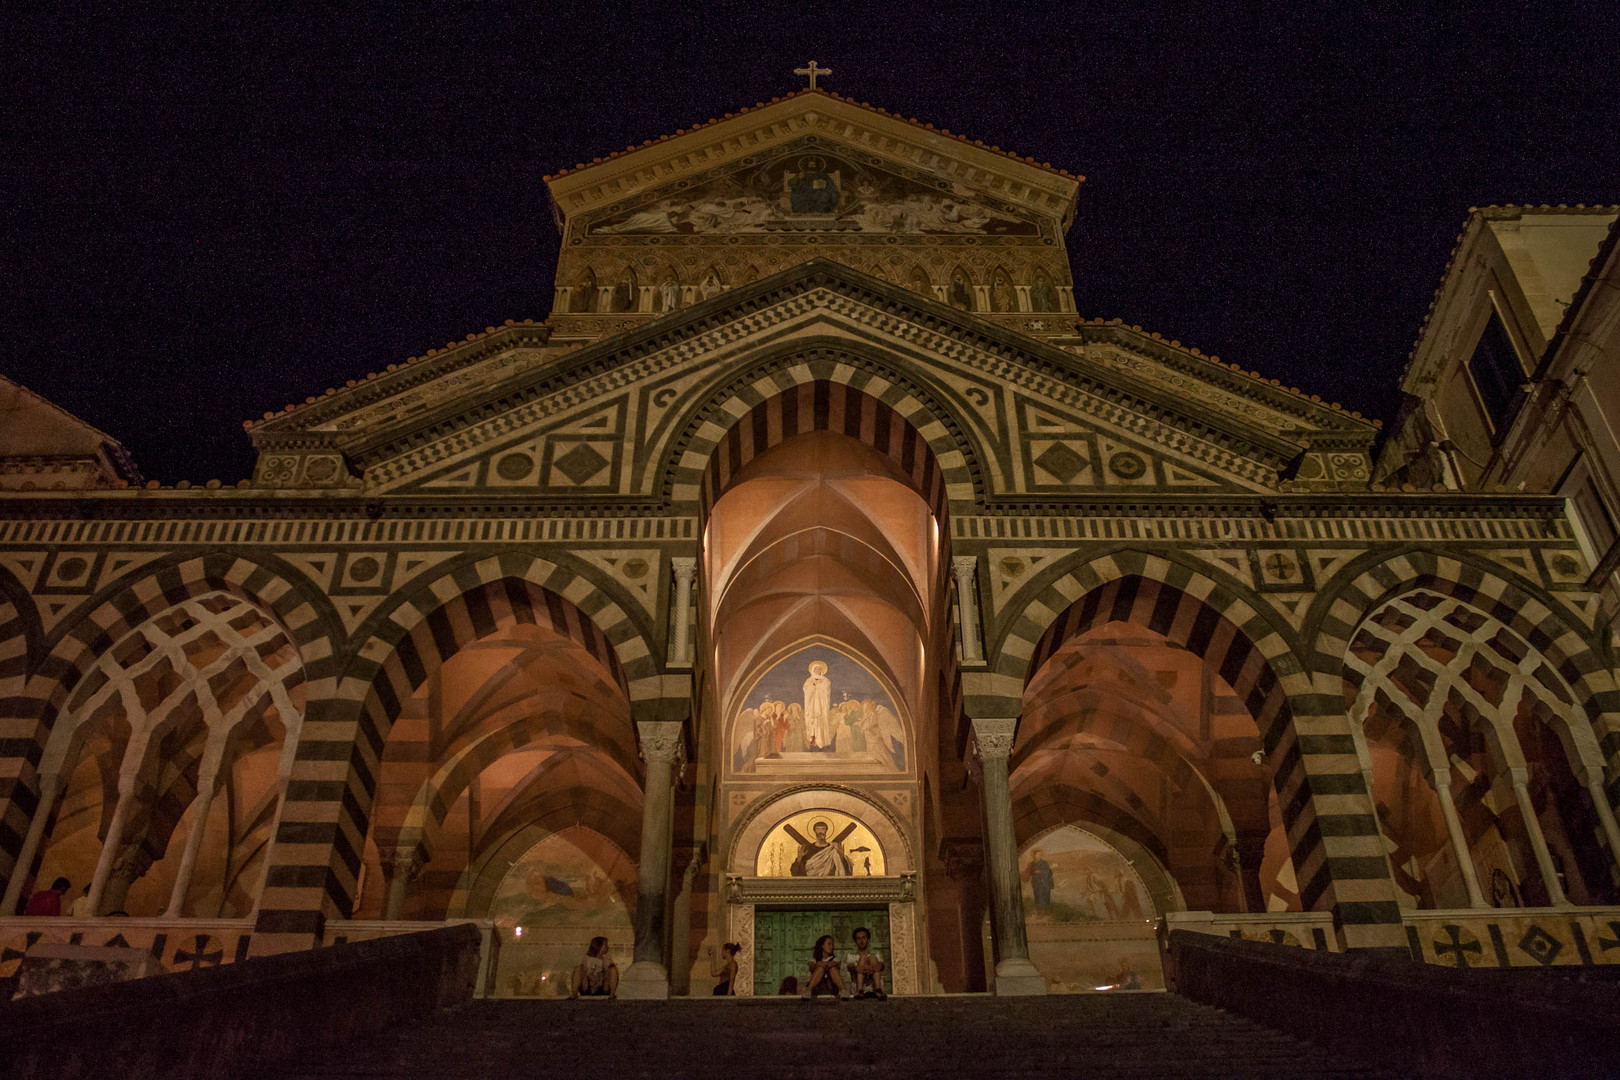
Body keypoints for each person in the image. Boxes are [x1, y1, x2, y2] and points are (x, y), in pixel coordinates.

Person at [844, 927, 886, 999]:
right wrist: (858, 968)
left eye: (863, 938)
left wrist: (873, 967)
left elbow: (882, 966)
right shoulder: (850, 955)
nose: (861, 941)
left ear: (868, 940)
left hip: (872, 988)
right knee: (862, 958)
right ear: (855, 941)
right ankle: (860, 991)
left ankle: (878, 990)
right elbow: (850, 966)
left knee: (872, 958)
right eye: (858, 938)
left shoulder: (876, 954)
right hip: (858, 988)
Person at [805, 934, 845, 999]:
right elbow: (811, 967)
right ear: (822, 945)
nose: (831, 947)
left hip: (831, 986)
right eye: (829, 944)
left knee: (832, 968)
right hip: (817, 987)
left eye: (832, 945)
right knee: (820, 968)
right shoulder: (814, 959)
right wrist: (818, 965)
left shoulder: (835, 959)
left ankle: (843, 990)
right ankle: (808, 990)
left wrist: (826, 964)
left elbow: (836, 964)